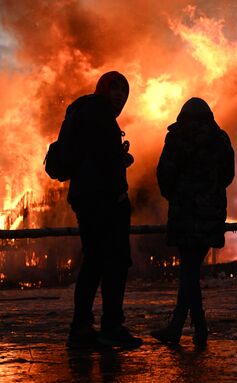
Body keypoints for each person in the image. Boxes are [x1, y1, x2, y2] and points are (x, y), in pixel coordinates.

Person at [66, 71, 141, 348]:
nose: (120, 95)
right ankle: (111, 326)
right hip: (104, 201)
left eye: (124, 90)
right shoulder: (99, 115)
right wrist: (119, 190)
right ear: (103, 90)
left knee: (94, 262)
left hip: (87, 197)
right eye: (115, 89)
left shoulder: (86, 112)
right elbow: (102, 161)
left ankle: (82, 328)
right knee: (115, 263)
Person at [151, 97, 234, 346]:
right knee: (191, 269)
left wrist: (175, 195)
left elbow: (164, 173)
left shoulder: (177, 136)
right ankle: (189, 327)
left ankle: (190, 327)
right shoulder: (220, 138)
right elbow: (227, 175)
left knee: (188, 269)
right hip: (211, 213)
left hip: (184, 211)